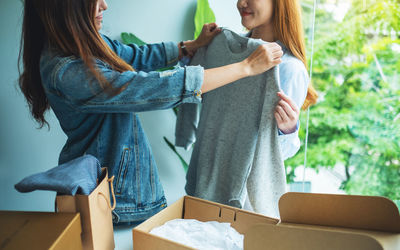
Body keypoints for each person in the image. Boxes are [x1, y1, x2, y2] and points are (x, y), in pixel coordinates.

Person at [18, 0, 282, 225]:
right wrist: (245, 67)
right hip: (113, 207)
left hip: (117, 200)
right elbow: (149, 88)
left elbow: (132, 54)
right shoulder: (68, 71)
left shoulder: (79, 46)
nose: (104, 5)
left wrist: (188, 46)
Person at [175, 0, 318, 218]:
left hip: (246, 206)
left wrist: (287, 129)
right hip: (202, 185)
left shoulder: (289, 68)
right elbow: (187, 89)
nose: (241, 3)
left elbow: (278, 156)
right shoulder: (219, 47)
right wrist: (193, 49)